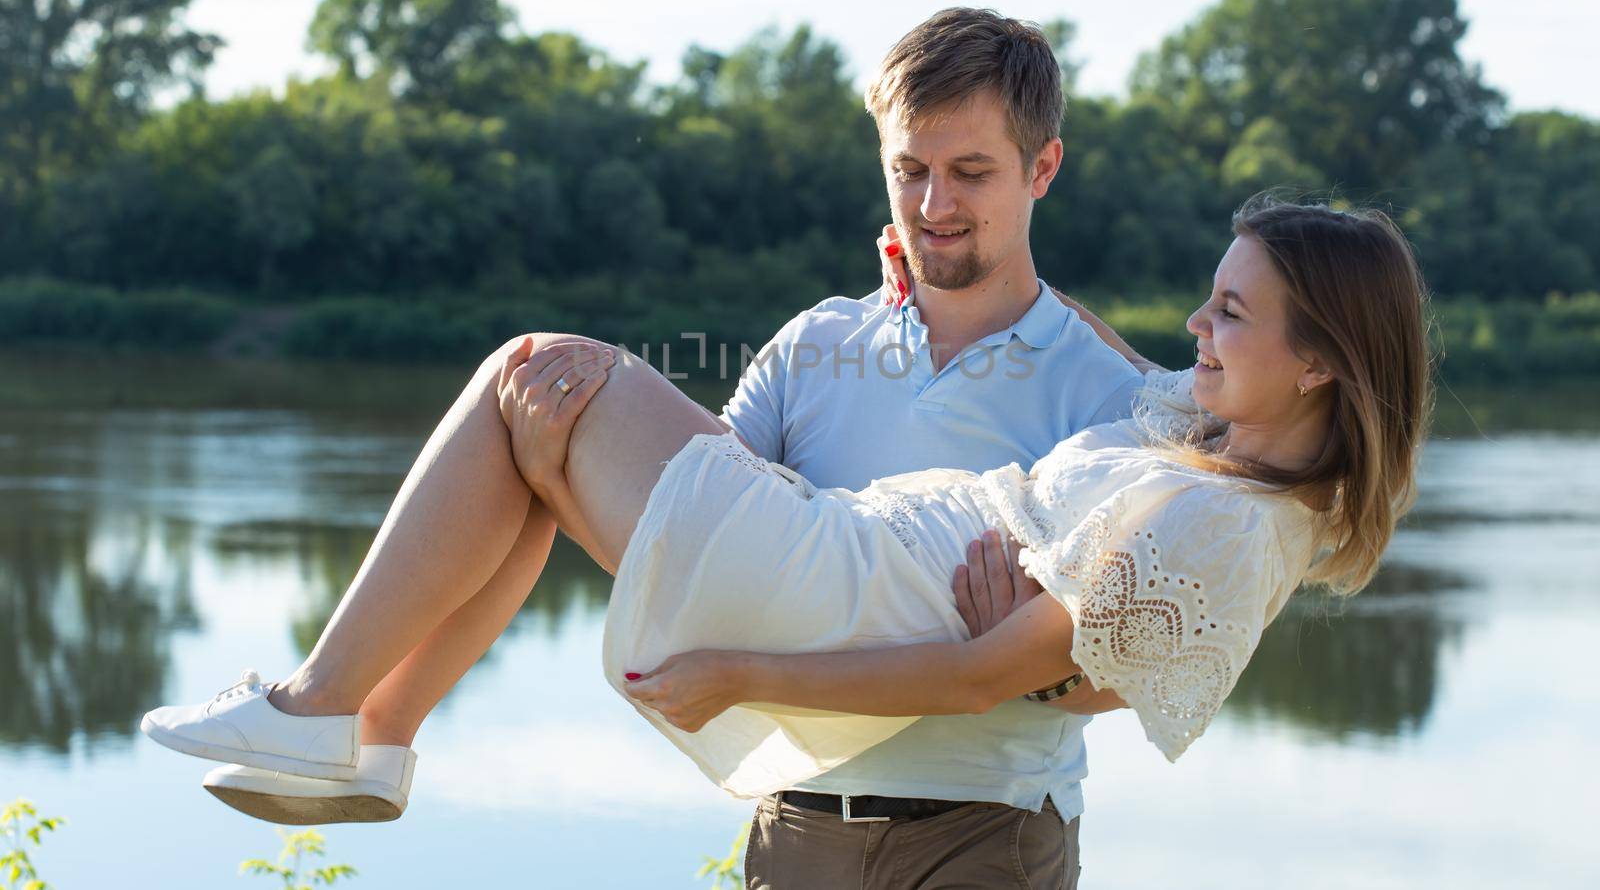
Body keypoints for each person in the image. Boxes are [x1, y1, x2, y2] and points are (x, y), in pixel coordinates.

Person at [142, 194, 1431, 876]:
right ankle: (370, 741)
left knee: (535, 372)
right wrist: (934, 278)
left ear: (1317, 361)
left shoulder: (1224, 520)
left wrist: (747, 675)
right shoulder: (1200, 444)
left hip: (836, 586)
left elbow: (1008, 673)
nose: (1199, 330)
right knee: (532, 450)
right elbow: (1092, 339)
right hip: (845, 563)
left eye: (1229, 312)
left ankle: (324, 707)